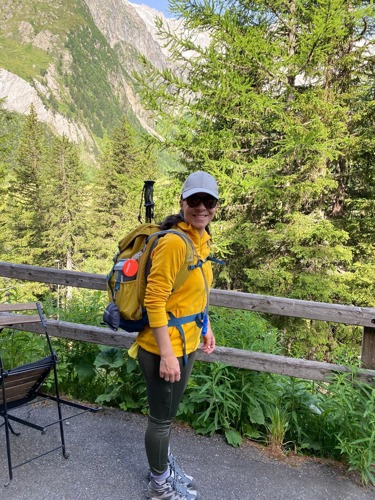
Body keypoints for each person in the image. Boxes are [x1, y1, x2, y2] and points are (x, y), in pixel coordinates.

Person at [136, 171, 219, 500]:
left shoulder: (201, 239)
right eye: (194, 200)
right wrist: (168, 354)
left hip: (186, 342)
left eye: (208, 201)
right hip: (162, 348)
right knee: (161, 419)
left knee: (167, 415)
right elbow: (154, 301)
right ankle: (159, 484)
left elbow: (192, 293)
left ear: (216, 206)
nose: (201, 207)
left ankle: (163, 466)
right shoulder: (174, 242)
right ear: (182, 202)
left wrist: (206, 325)